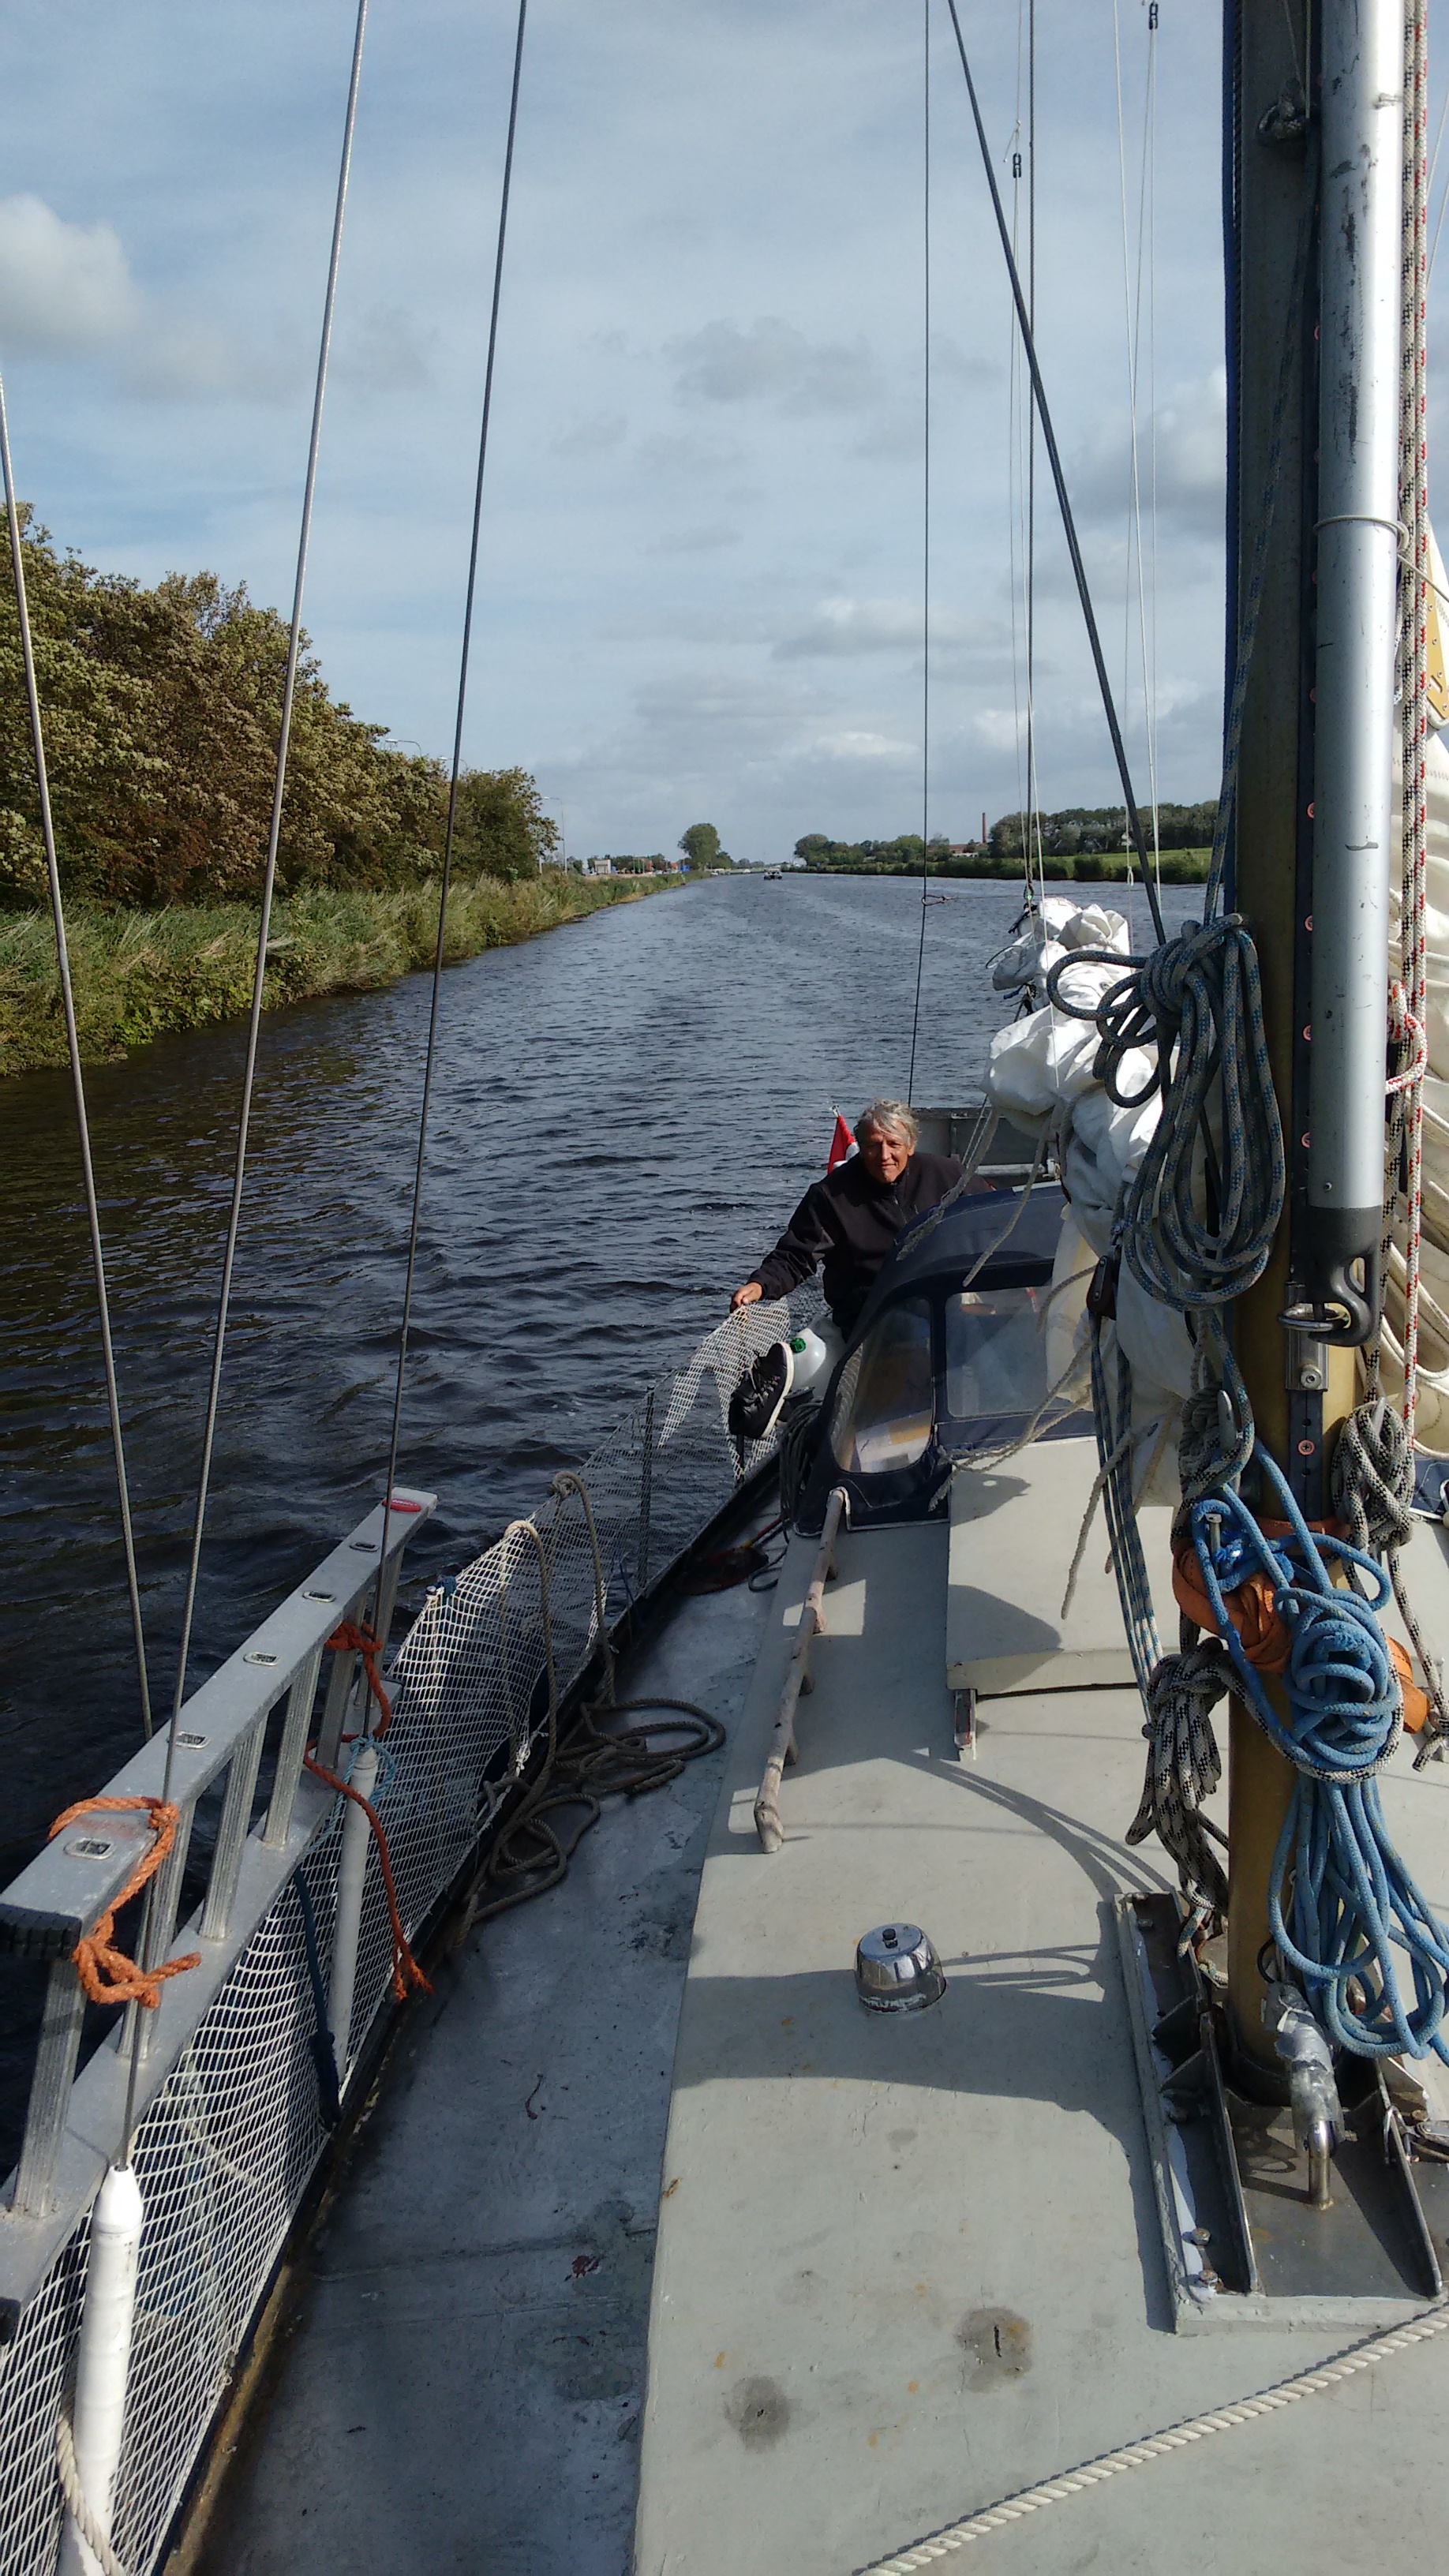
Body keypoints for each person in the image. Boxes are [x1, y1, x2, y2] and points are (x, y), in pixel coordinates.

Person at [731, 1101, 961, 1337]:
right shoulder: (831, 1196)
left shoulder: (947, 1175)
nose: (884, 1156)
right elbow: (796, 1255)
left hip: (943, 1297)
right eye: (873, 1145)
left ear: (910, 1146)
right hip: (873, 1314)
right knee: (920, 1338)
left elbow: (990, 1212)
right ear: (860, 1147)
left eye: (894, 1144)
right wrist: (760, 1284)